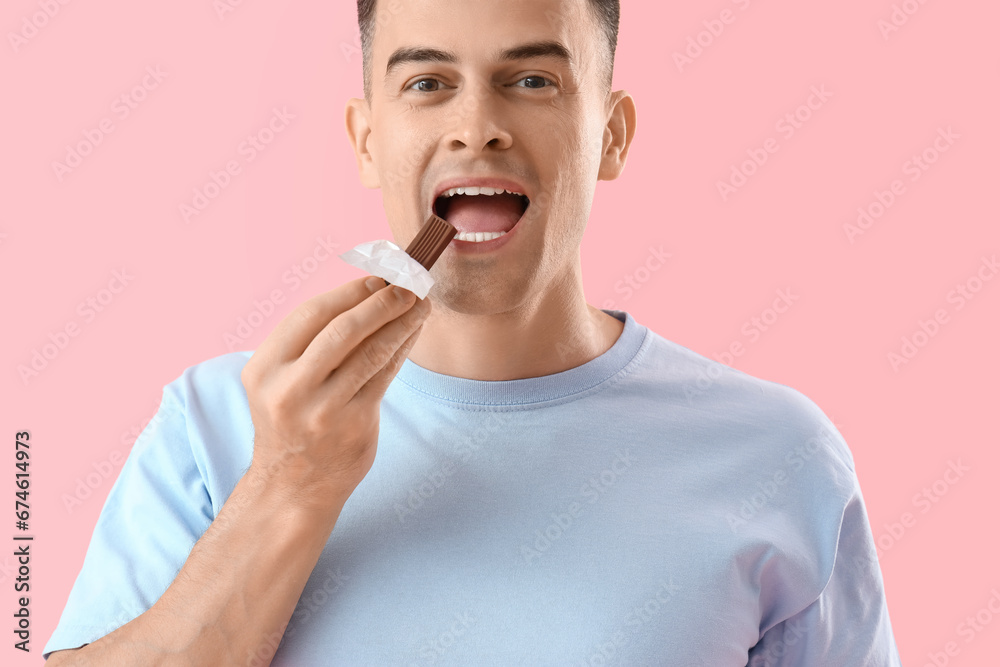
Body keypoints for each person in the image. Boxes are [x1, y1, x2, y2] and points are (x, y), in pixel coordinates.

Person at [44, 0, 903, 664]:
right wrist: (289, 483)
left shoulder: (778, 452)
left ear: (611, 133)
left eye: (532, 80)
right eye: (427, 83)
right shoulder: (209, 425)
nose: (476, 124)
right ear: (368, 140)